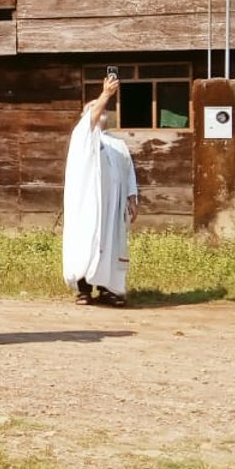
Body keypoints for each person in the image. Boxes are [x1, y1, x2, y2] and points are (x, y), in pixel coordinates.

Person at [62, 75, 139, 307]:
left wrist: (132, 198)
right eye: (96, 110)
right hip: (89, 204)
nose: (101, 113)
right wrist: (105, 94)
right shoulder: (82, 137)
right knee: (87, 241)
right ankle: (84, 290)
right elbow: (91, 119)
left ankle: (109, 290)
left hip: (113, 207)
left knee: (112, 244)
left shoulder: (117, 144)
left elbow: (129, 172)